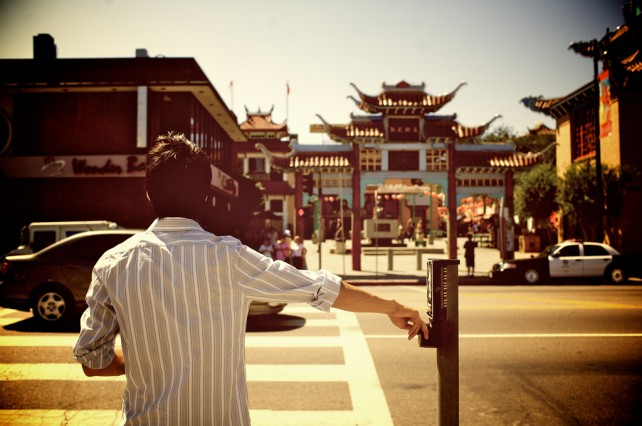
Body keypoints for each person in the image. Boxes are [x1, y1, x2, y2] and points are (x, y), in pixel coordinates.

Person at [72, 132, 428, 426]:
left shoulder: (113, 264)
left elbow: (93, 362)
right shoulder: (229, 257)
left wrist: (147, 359)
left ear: (148, 191)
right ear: (205, 196)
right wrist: (392, 307)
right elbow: (320, 287)